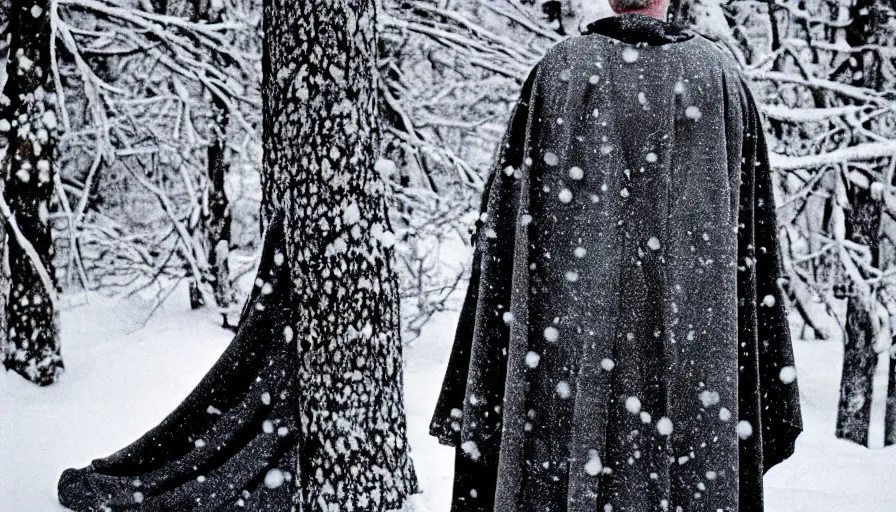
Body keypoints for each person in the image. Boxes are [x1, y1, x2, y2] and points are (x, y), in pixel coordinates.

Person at [429, 2, 803, 511]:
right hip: (694, 379)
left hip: (565, 370)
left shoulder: (559, 71)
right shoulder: (717, 77)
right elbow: (753, 243)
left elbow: (505, 237)